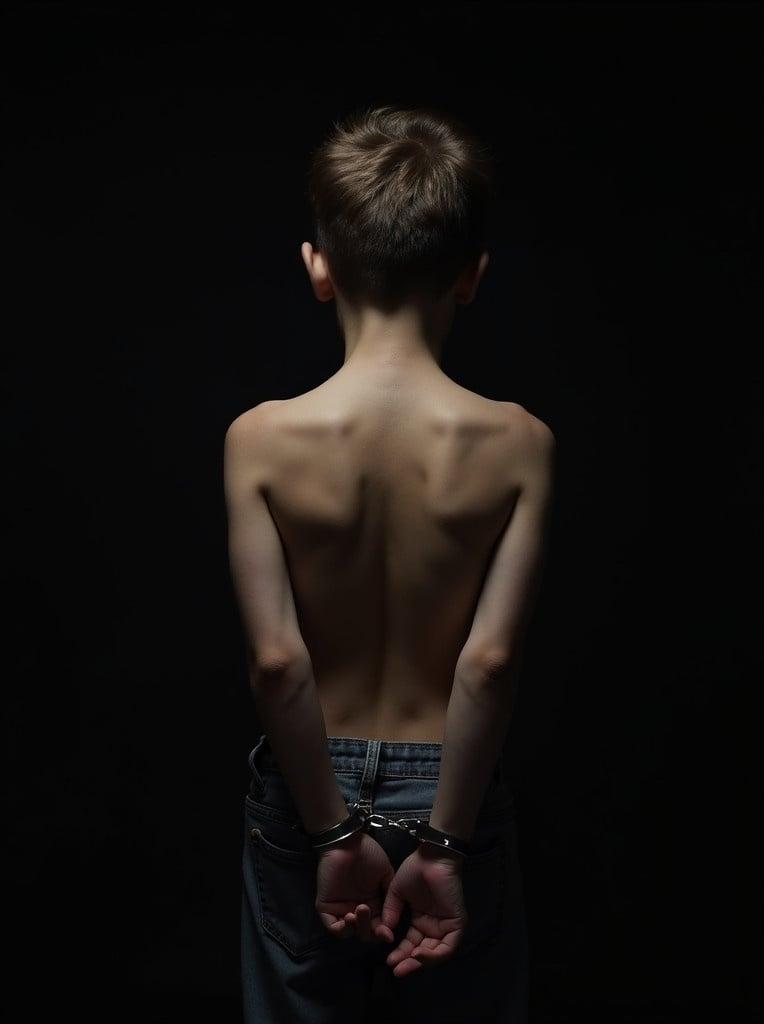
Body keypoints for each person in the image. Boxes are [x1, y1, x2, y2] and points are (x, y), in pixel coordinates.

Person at [224, 102, 556, 1023]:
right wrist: (444, 844)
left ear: (318, 270)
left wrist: (331, 827)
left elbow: (278, 663)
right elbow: (487, 664)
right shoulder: (520, 444)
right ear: (472, 276)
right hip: (452, 782)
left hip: (307, 788)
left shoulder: (259, 440)